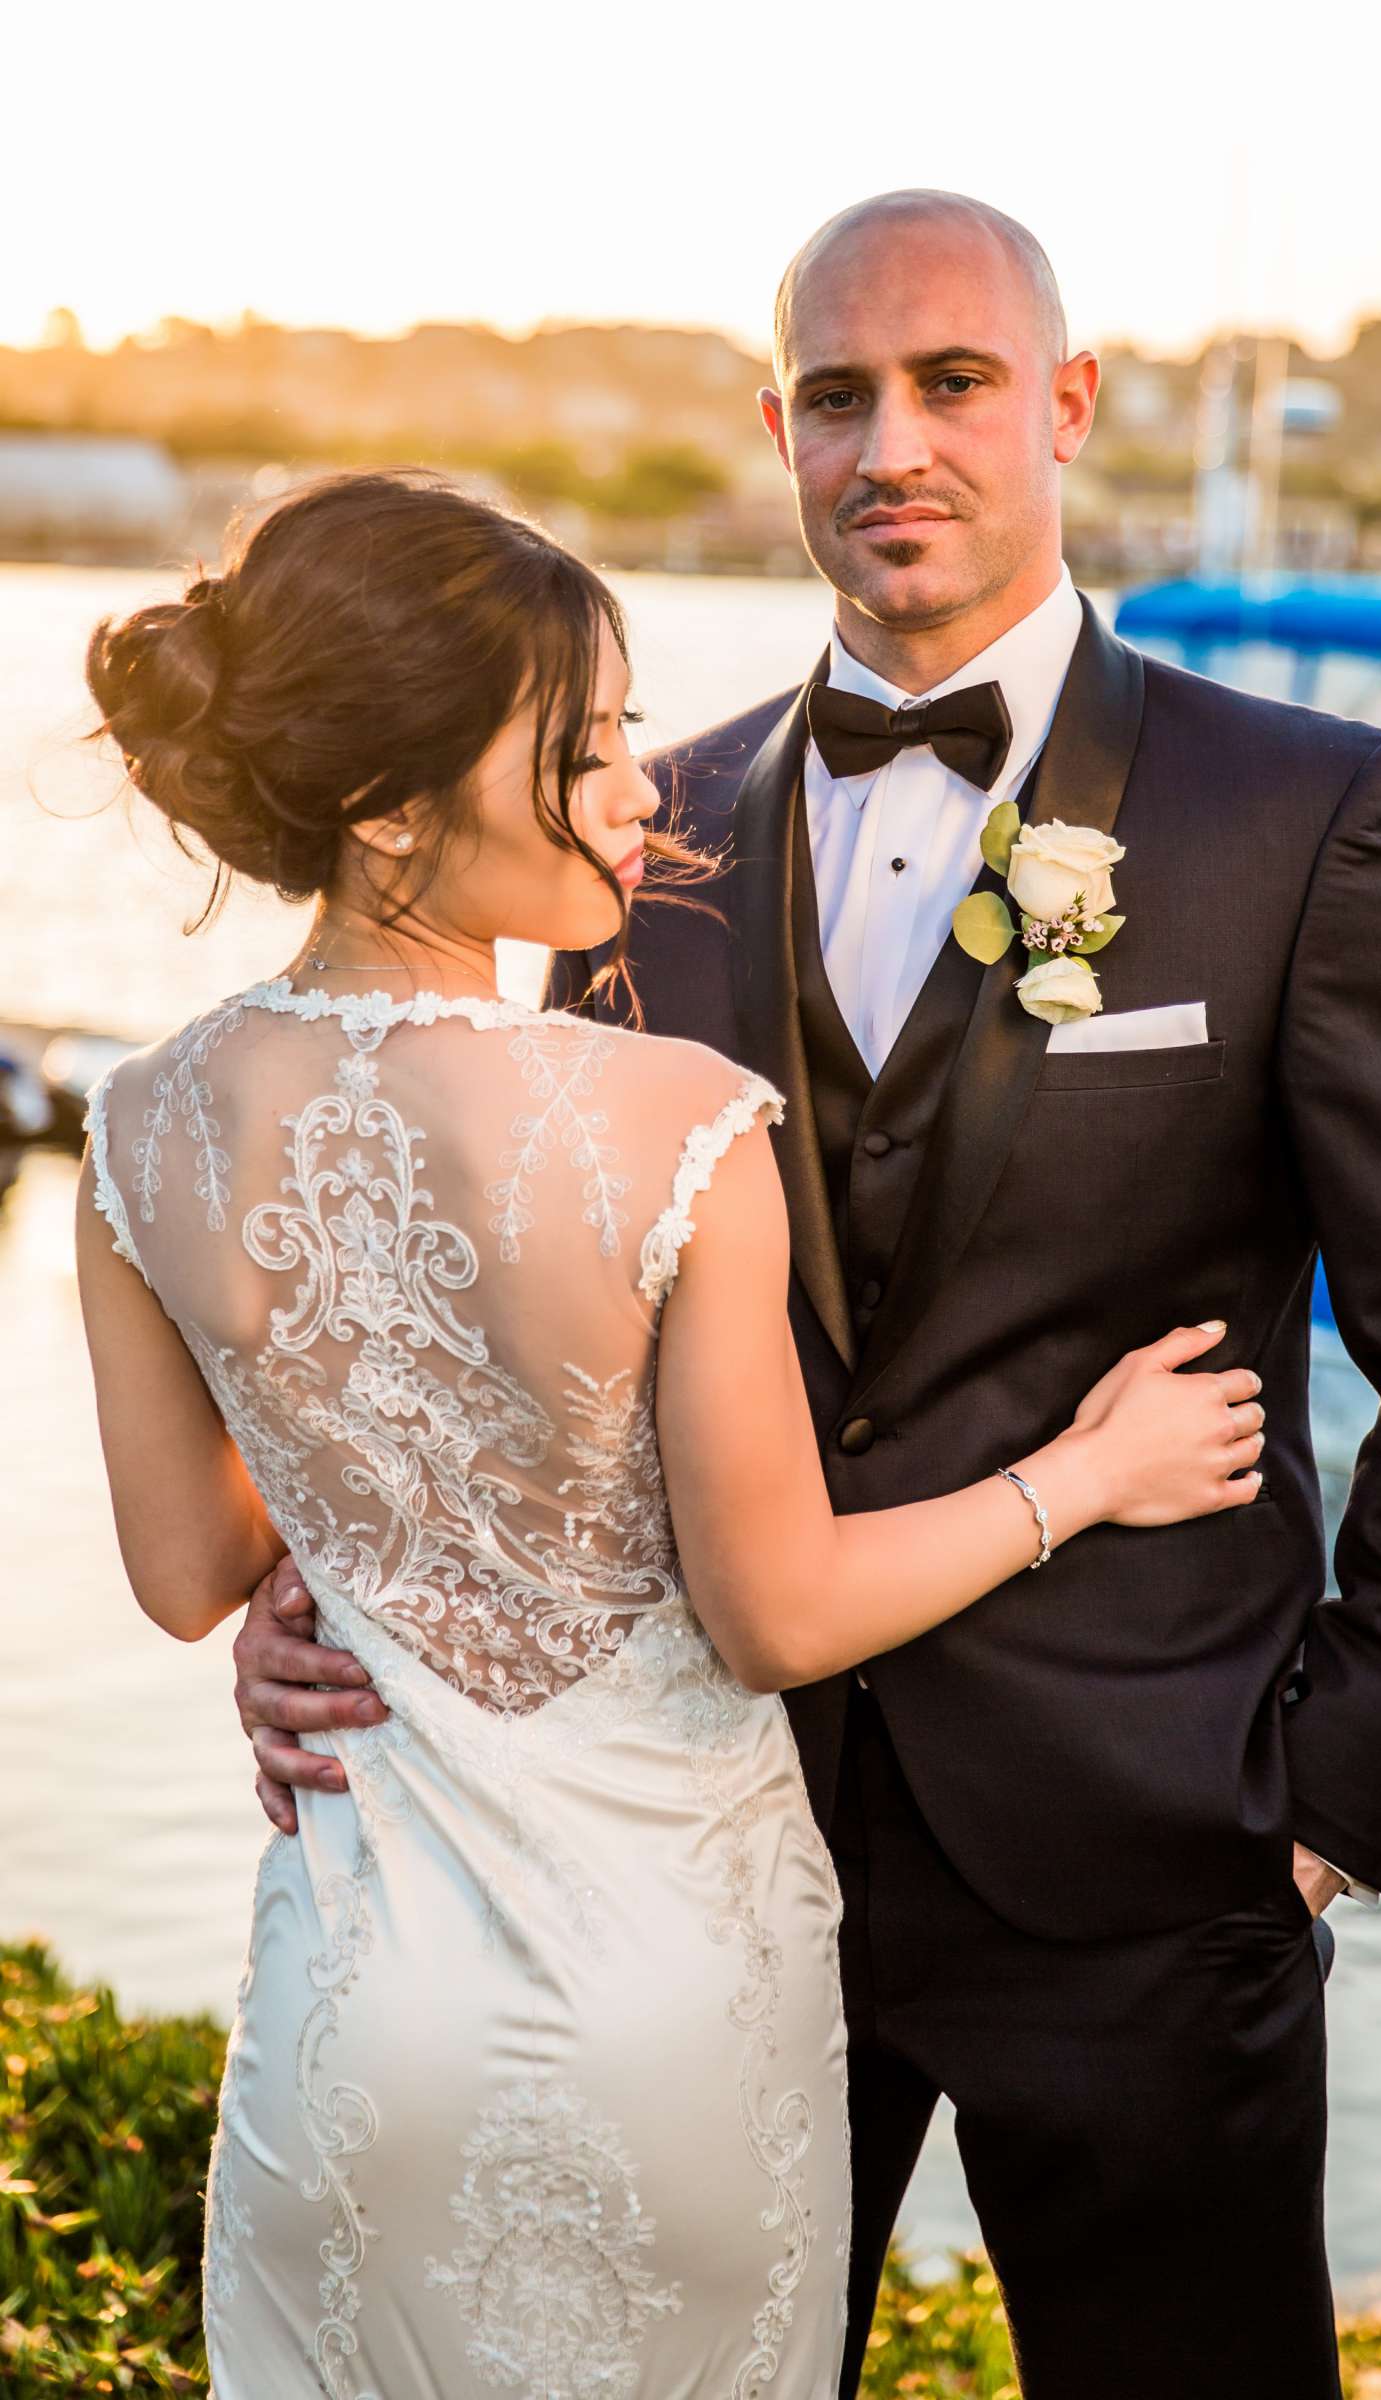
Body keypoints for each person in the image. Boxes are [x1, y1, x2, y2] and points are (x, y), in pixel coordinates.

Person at [236, 193, 1381, 2397]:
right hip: (694, 1857)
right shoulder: (621, 837)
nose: (894, 448)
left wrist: (1324, 1811)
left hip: (1158, 1863)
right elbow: (519, 1343)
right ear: (777, 428)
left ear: (1059, 408)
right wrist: (332, 1597)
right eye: (839, 397)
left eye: (952, 384)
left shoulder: (1302, 815)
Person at [78, 468, 1271, 2396]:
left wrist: (365, 1514)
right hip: (670, 2006)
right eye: (586, 744)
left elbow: (187, 1574)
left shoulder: (138, 1127)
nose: (641, 787)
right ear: (389, 807)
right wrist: (1090, 1476)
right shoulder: (674, 1123)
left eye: (628, 731)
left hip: (347, 2009)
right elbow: (777, 1615)